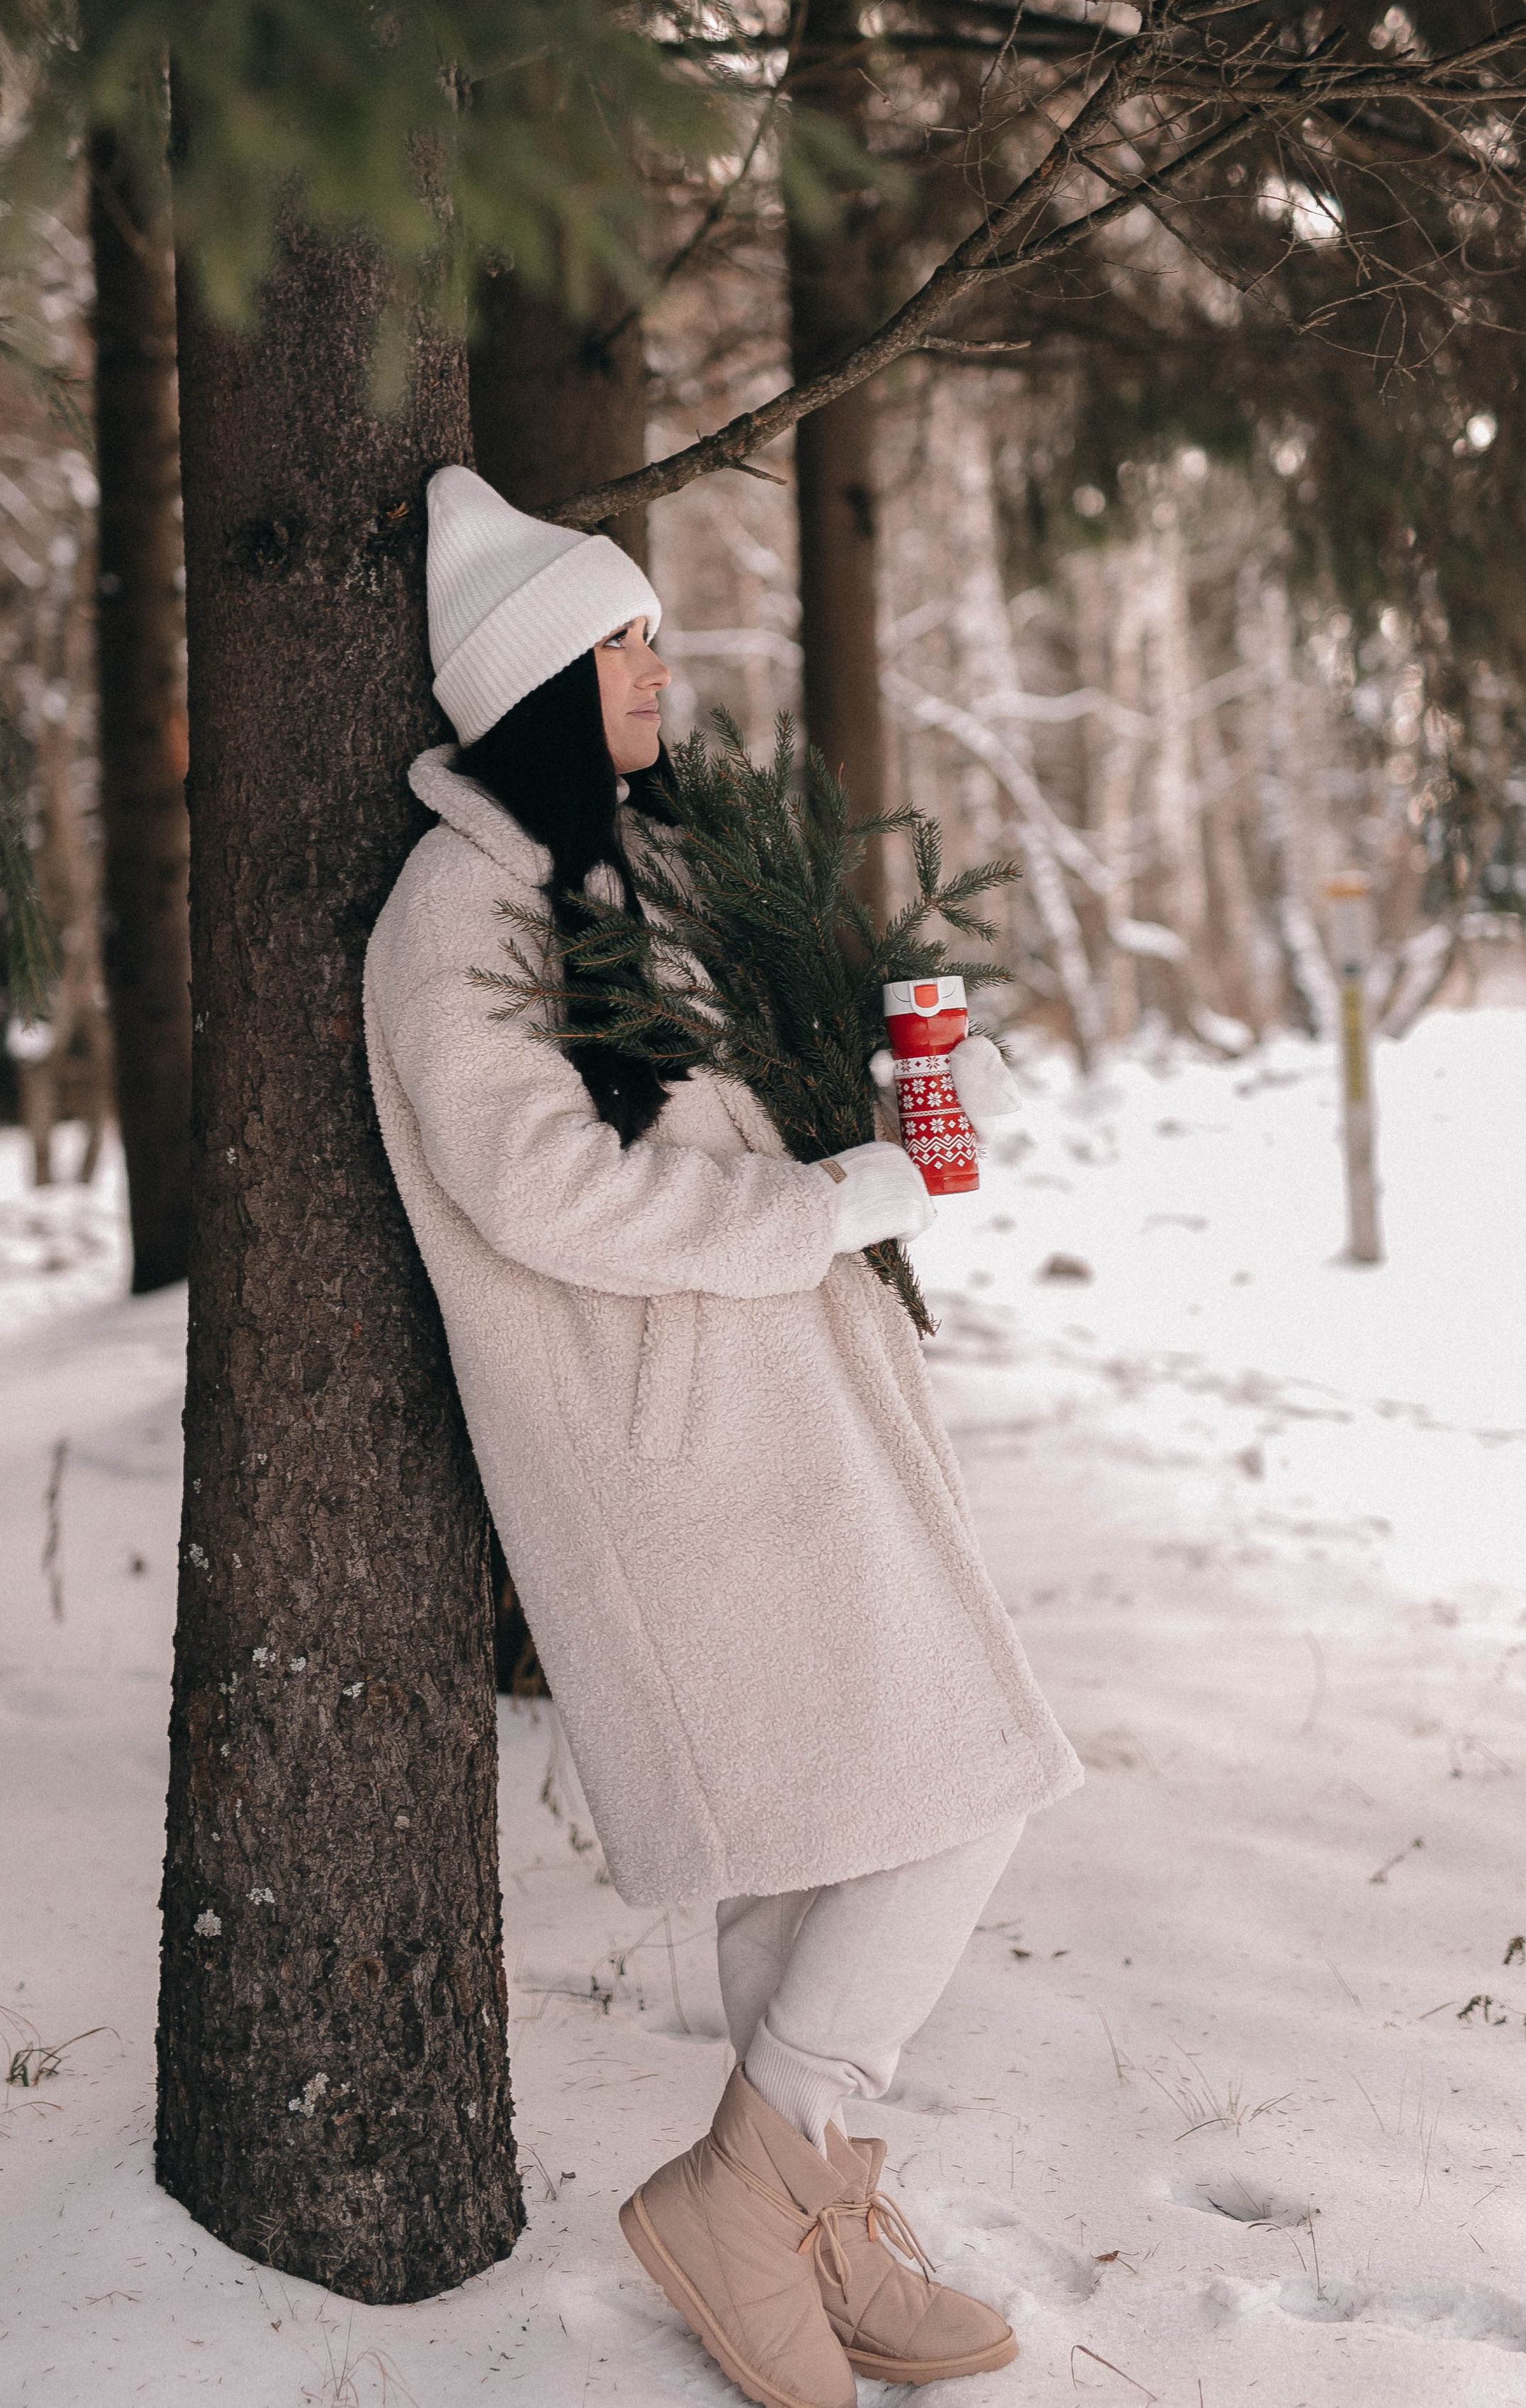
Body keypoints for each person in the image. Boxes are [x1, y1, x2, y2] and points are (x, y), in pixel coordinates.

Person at [365, 467, 1085, 2408]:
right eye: (626, 643)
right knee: (960, 1788)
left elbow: (751, 1104)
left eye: (656, 636)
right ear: (532, 677)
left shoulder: (639, 872)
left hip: (793, 1420)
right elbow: (549, 1196)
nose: (660, 671)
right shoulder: (460, 914)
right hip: (673, 1461)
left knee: (827, 1843)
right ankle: (748, 2189)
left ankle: (822, 2216)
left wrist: (907, 1102)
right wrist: (824, 1210)